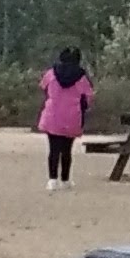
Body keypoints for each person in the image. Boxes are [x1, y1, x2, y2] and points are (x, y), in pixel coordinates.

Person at [38, 46, 94, 186]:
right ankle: (65, 179)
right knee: (67, 150)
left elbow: (44, 88)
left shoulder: (51, 74)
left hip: (52, 115)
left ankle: (52, 180)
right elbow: (88, 97)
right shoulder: (82, 78)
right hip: (72, 117)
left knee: (53, 149)